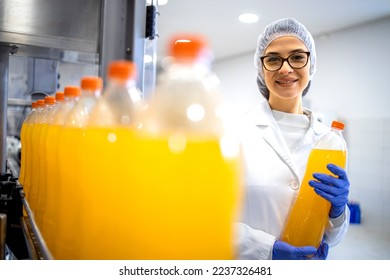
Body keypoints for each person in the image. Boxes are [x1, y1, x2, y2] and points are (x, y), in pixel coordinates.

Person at [235, 18, 350, 260]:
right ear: (261, 67)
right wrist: (265, 250)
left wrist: (338, 212)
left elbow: (332, 237)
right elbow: (205, 216)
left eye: (297, 57)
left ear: (311, 64)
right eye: (274, 59)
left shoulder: (330, 141)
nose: (285, 68)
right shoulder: (232, 131)